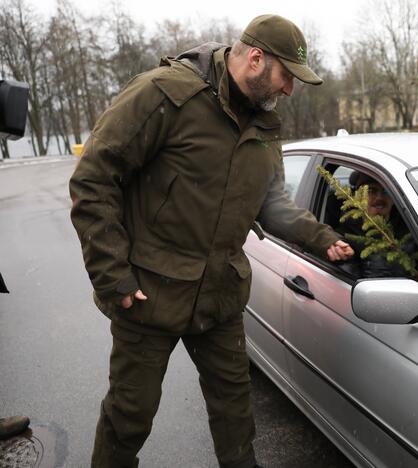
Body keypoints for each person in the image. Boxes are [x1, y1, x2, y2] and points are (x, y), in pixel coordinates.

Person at [69, 14, 353, 468]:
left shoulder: (265, 124)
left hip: (219, 293)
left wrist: (323, 239)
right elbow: (93, 181)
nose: (289, 91)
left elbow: (271, 202)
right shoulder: (164, 94)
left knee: (235, 414)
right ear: (256, 59)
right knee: (130, 415)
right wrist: (113, 278)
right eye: (286, 77)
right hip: (147, 294)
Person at [338, 172, 418, 279]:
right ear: (358, 196)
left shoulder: (413, 230)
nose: (379, 197)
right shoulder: (345, 238)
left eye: (386, 191)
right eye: (371, 191)